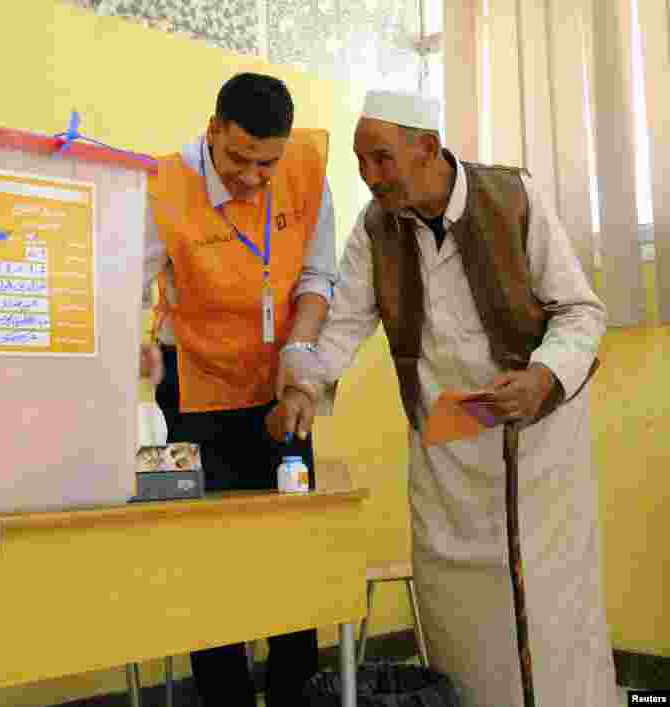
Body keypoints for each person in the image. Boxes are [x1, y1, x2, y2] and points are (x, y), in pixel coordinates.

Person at [268, 89, 619, 706]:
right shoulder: (376, 227)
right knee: (458, 617)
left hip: (535, 452)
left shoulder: (513, 198)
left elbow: (582, 312)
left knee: (547, 613)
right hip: (445, 452)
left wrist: (542, 377)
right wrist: (304, 384)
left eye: (381, 159)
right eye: (360, 162)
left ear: (428, 147)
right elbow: (344, 322)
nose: (369, 177)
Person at [139, 72, 339, 706]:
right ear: (212, 132)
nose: (255, 177)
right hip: (187, 397)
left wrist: (302, 352)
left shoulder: (305, 167)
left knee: (291, 556)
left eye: (267, 163)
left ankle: (293, 697)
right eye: (239, 161)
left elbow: (317, 274)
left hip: (280, 389)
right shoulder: (162, 186)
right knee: (208, 565)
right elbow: (120, 287)